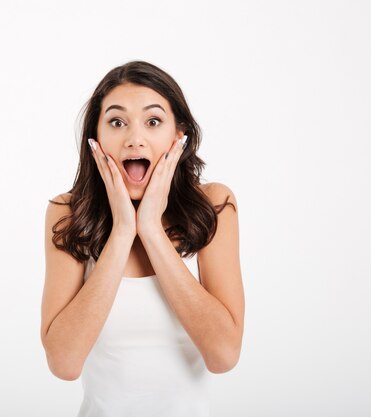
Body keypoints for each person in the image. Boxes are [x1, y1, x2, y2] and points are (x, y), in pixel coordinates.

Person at [40, 60, 245, 417]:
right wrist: (122, 231)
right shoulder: (67, 213)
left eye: (153, 121)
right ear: (97, 137)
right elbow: (64, 363)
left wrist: (150, 228)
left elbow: (224, 355)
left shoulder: (212, 205)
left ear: (177, 135)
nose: (134, 138)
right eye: (117, 122)